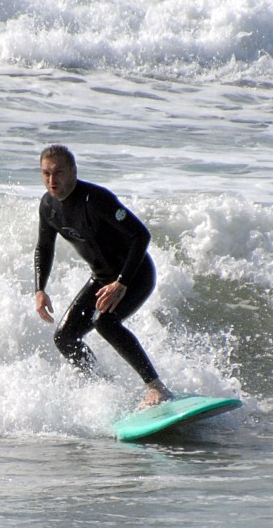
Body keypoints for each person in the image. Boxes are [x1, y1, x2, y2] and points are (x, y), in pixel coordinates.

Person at [34, 145, 171, 408]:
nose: (52, 180)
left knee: (105, 322)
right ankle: (108, 390)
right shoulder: (48, 206)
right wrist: (40, 289)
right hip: (101, 278)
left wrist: (122, 282)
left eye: (59, 172)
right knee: (65, 338)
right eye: (46, 174)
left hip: (135, 274)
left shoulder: (96, 200)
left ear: (73, 171)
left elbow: (140, 235)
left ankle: (156, 388)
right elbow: (44, 247)